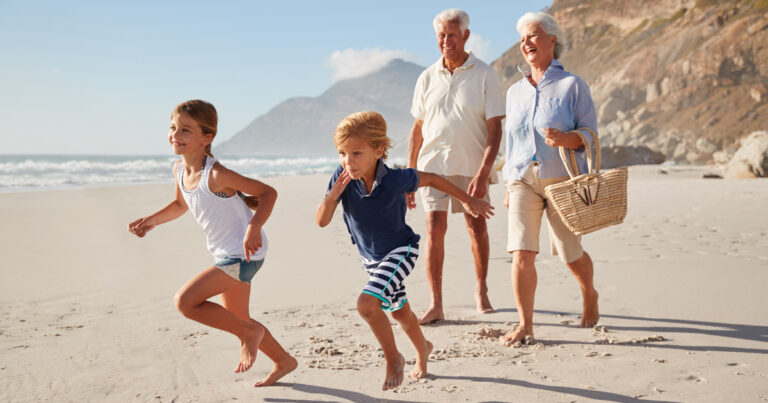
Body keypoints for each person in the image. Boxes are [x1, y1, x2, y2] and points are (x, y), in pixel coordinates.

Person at [316, 111, 494, 390]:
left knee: (367, 304)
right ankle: (423, 349)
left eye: (356, 153)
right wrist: (332, 197)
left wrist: (468, 199)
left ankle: (394, 358)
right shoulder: (342, 177)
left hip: (401, 251)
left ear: (378, 151)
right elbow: (322, 221)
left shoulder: (395, 179)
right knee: (399, 311)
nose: (347, 161)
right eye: (342, 153)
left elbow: (434, 179)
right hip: (371, 259)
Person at [128, 100, 297, 386]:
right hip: (228, 255)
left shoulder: (216, 175)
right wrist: (151, 221)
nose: (175, 135)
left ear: (207, 138)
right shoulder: (180, 170)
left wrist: (254, 227)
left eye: (185, 130)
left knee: (186, 302)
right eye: (173, 128)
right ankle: (283, 360)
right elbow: (181, 204)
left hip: (244, 254)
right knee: (238, 317)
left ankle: (248, 335)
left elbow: (268, 193)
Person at [500, 12, 600, 346]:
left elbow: (590, 134)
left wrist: (566, 139)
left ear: (552, 40)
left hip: (562, 180)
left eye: (533, 35)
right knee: (521, 253)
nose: (526, 42)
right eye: (523, 38)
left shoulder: (572, 85)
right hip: (522, 179)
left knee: (570, 252)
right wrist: (507, 183)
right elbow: (510, 142)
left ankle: (588, 293)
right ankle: (525, 325)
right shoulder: (515, 92)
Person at [408, 8, 505, 324]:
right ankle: (436, 303)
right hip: (432, 167)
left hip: (471, 166)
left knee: (476, 227)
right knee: (434, 228)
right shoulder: (427, 76)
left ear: (465, 35)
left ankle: (481, 290)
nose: (446, 41)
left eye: (452, 34)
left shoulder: (485, 74)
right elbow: (418, 130)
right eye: (441, 36)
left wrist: (483, 172)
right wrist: (410, 175)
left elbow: (495, 130)